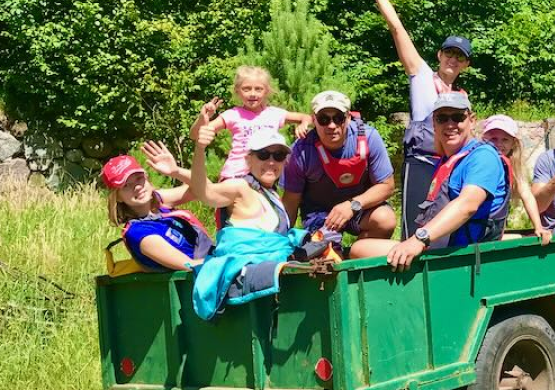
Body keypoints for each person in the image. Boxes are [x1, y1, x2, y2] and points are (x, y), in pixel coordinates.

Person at [360, 0, 472, 237]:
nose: (453, 60)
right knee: (416, 231)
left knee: (445, 233)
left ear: (466, 65)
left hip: (451, 168)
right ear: (439, 55)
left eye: (460, 58)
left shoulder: (462, 99)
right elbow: (397, 28)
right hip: (422, 163)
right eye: (449, 53)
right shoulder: (421, 76)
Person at [349, 91, 509, 269]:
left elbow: (467, 204)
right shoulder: (448, 160)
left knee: (360, 250)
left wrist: (419, 239)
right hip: (440, 248)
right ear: (434, 123)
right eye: (442, 118)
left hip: (464, 254)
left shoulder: (483, 156)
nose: (450, 124)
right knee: (360, 248)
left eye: (457, 117)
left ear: (471, 120)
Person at [186, 101, 308, 319]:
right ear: (248, 159)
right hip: (250, 296)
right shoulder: (240, 187)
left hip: (277, 284)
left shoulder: (271, 194)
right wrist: (200, 150)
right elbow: (204, 192)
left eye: (278, 156)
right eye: (263, 155)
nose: (271, 162)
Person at [281, 90, 398, 247]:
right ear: (314, 120)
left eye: (338, 118)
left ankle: (358, 259)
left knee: (385, 219)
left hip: (358, 208)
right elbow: (291, 202)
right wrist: (280, 242)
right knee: (327, 259)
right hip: (320, 215)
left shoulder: (369, 137)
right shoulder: (300, 151)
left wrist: (352, 205)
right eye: (324, 119)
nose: (331, 125)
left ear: (348, 118)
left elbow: (387, 186)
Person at [102, 143, 213, 272]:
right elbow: (190, 266)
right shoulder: (139, 233)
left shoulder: (158, 200)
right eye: (126, 185)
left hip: (213, 262)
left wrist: (176, 172)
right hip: (202, 281)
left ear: (146, 178)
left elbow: (206, 189)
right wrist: (231, 261)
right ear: (118, 197)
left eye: (139, 178)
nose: (137, 187)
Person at [197, 66, 311, 180]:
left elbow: (307, 117)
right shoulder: (232, 115)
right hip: (236, 175)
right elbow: (197, 134)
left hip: (263, 175)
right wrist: (204, 118)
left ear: (266, 91)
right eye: (246, 89)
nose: (252, 94)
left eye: (258, 89)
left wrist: (303, 124)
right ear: (237, 91)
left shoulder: (274, 114)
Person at [480, 114, 552, 244]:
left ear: (513, 143)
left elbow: (527, 195)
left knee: (522, 238)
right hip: (477, 230)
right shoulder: (479, 163)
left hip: (492, 230)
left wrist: (538, 227)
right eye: (494, 139)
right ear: (484, 138)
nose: (499, 144)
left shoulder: (512, 167)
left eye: (505, 140)